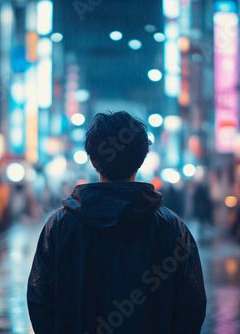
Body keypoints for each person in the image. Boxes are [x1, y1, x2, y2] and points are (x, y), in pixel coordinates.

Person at [28, 111, 206, 334]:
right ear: (141, 160)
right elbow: (192, 306)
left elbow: (40, 300)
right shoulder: (171, 227)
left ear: (93, 160)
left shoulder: (60, 225)